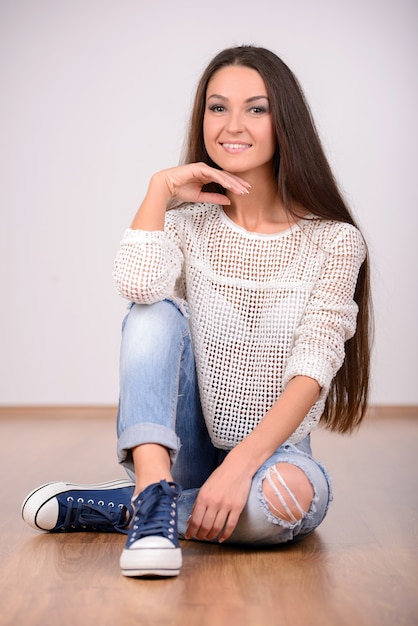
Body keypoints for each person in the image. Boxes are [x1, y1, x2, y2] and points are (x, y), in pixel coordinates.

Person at [21, 45, 371, 578]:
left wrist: (241, 465)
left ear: (286, 123)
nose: (233, 124)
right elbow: (137, 285)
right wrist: (159, 191)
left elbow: (314, 364)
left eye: (257, 108)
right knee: (151, 311)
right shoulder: (187, 226)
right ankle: (158, 486)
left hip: (270, 455)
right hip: (184, 444)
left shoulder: (335, 241)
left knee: (288, 501)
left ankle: (143, 507)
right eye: (217, 107)